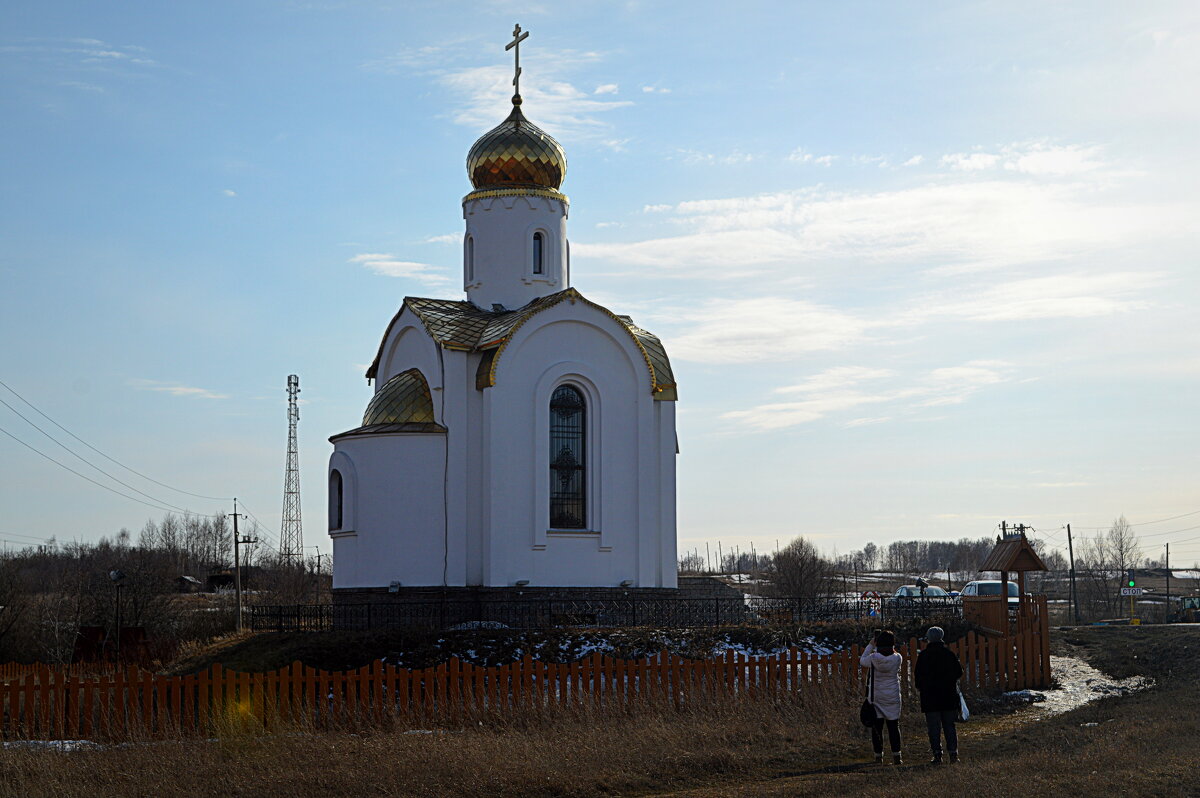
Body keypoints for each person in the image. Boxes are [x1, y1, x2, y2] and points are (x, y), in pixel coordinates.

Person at [914, 626, 964, 764]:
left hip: (930, 698)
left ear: (929, 638)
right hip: (948, 696)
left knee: (934, 728)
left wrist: (923, 687)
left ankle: (937, 754)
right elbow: (959, 672)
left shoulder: (923, 656)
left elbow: (918, 677)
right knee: (949, 726)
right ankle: (953, 754)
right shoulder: (949, 654)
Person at [859, 629, 903, 765]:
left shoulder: (873, 658)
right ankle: (897, 756)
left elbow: (862, 660)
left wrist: (871, 645)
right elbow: (893, 654)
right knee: (894, 726)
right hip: (893, 696)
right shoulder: (898, 658)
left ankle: (878, 756)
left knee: (877, 728)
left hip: (876, 696)